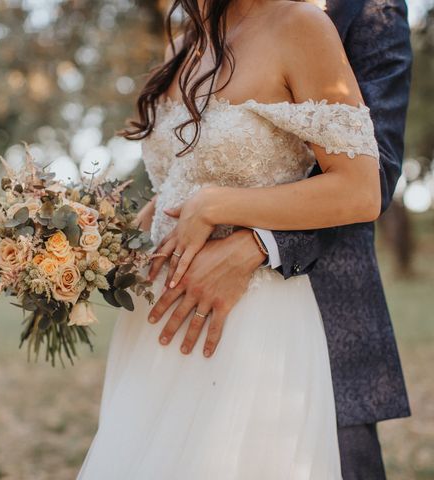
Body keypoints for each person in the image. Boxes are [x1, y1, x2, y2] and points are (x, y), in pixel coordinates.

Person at [77, 0, 411, 478]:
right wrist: (85, 247)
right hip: (161, 324)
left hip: (257, 319)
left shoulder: (306, 24)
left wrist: (223, 208)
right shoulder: (184, 45)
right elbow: (176, 186)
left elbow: (364, 186)